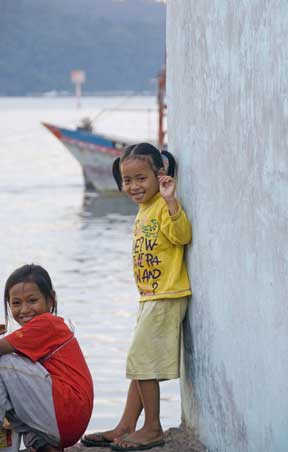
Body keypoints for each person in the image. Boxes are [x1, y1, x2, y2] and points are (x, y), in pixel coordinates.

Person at [82, 143, 192, 451]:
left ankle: (153, 427)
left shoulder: (162, 205)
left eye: (141, 178)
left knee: (141, 362)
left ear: (160, 176)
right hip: (150, 297)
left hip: (167, 294)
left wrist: (171, 201)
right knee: (140, 363)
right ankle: (126, 425)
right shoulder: (144, 209)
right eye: (127, 180)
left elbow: (182, 235)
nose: (133, 186)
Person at [0, 264, 94, 452]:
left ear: (50, 300)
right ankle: (42, 446)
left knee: (2, 362)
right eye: (16, 303)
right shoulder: (35, 332)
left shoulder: (47, 323)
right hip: (66, 423)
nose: (24, 310)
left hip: (66, 412)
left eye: (32, 301)